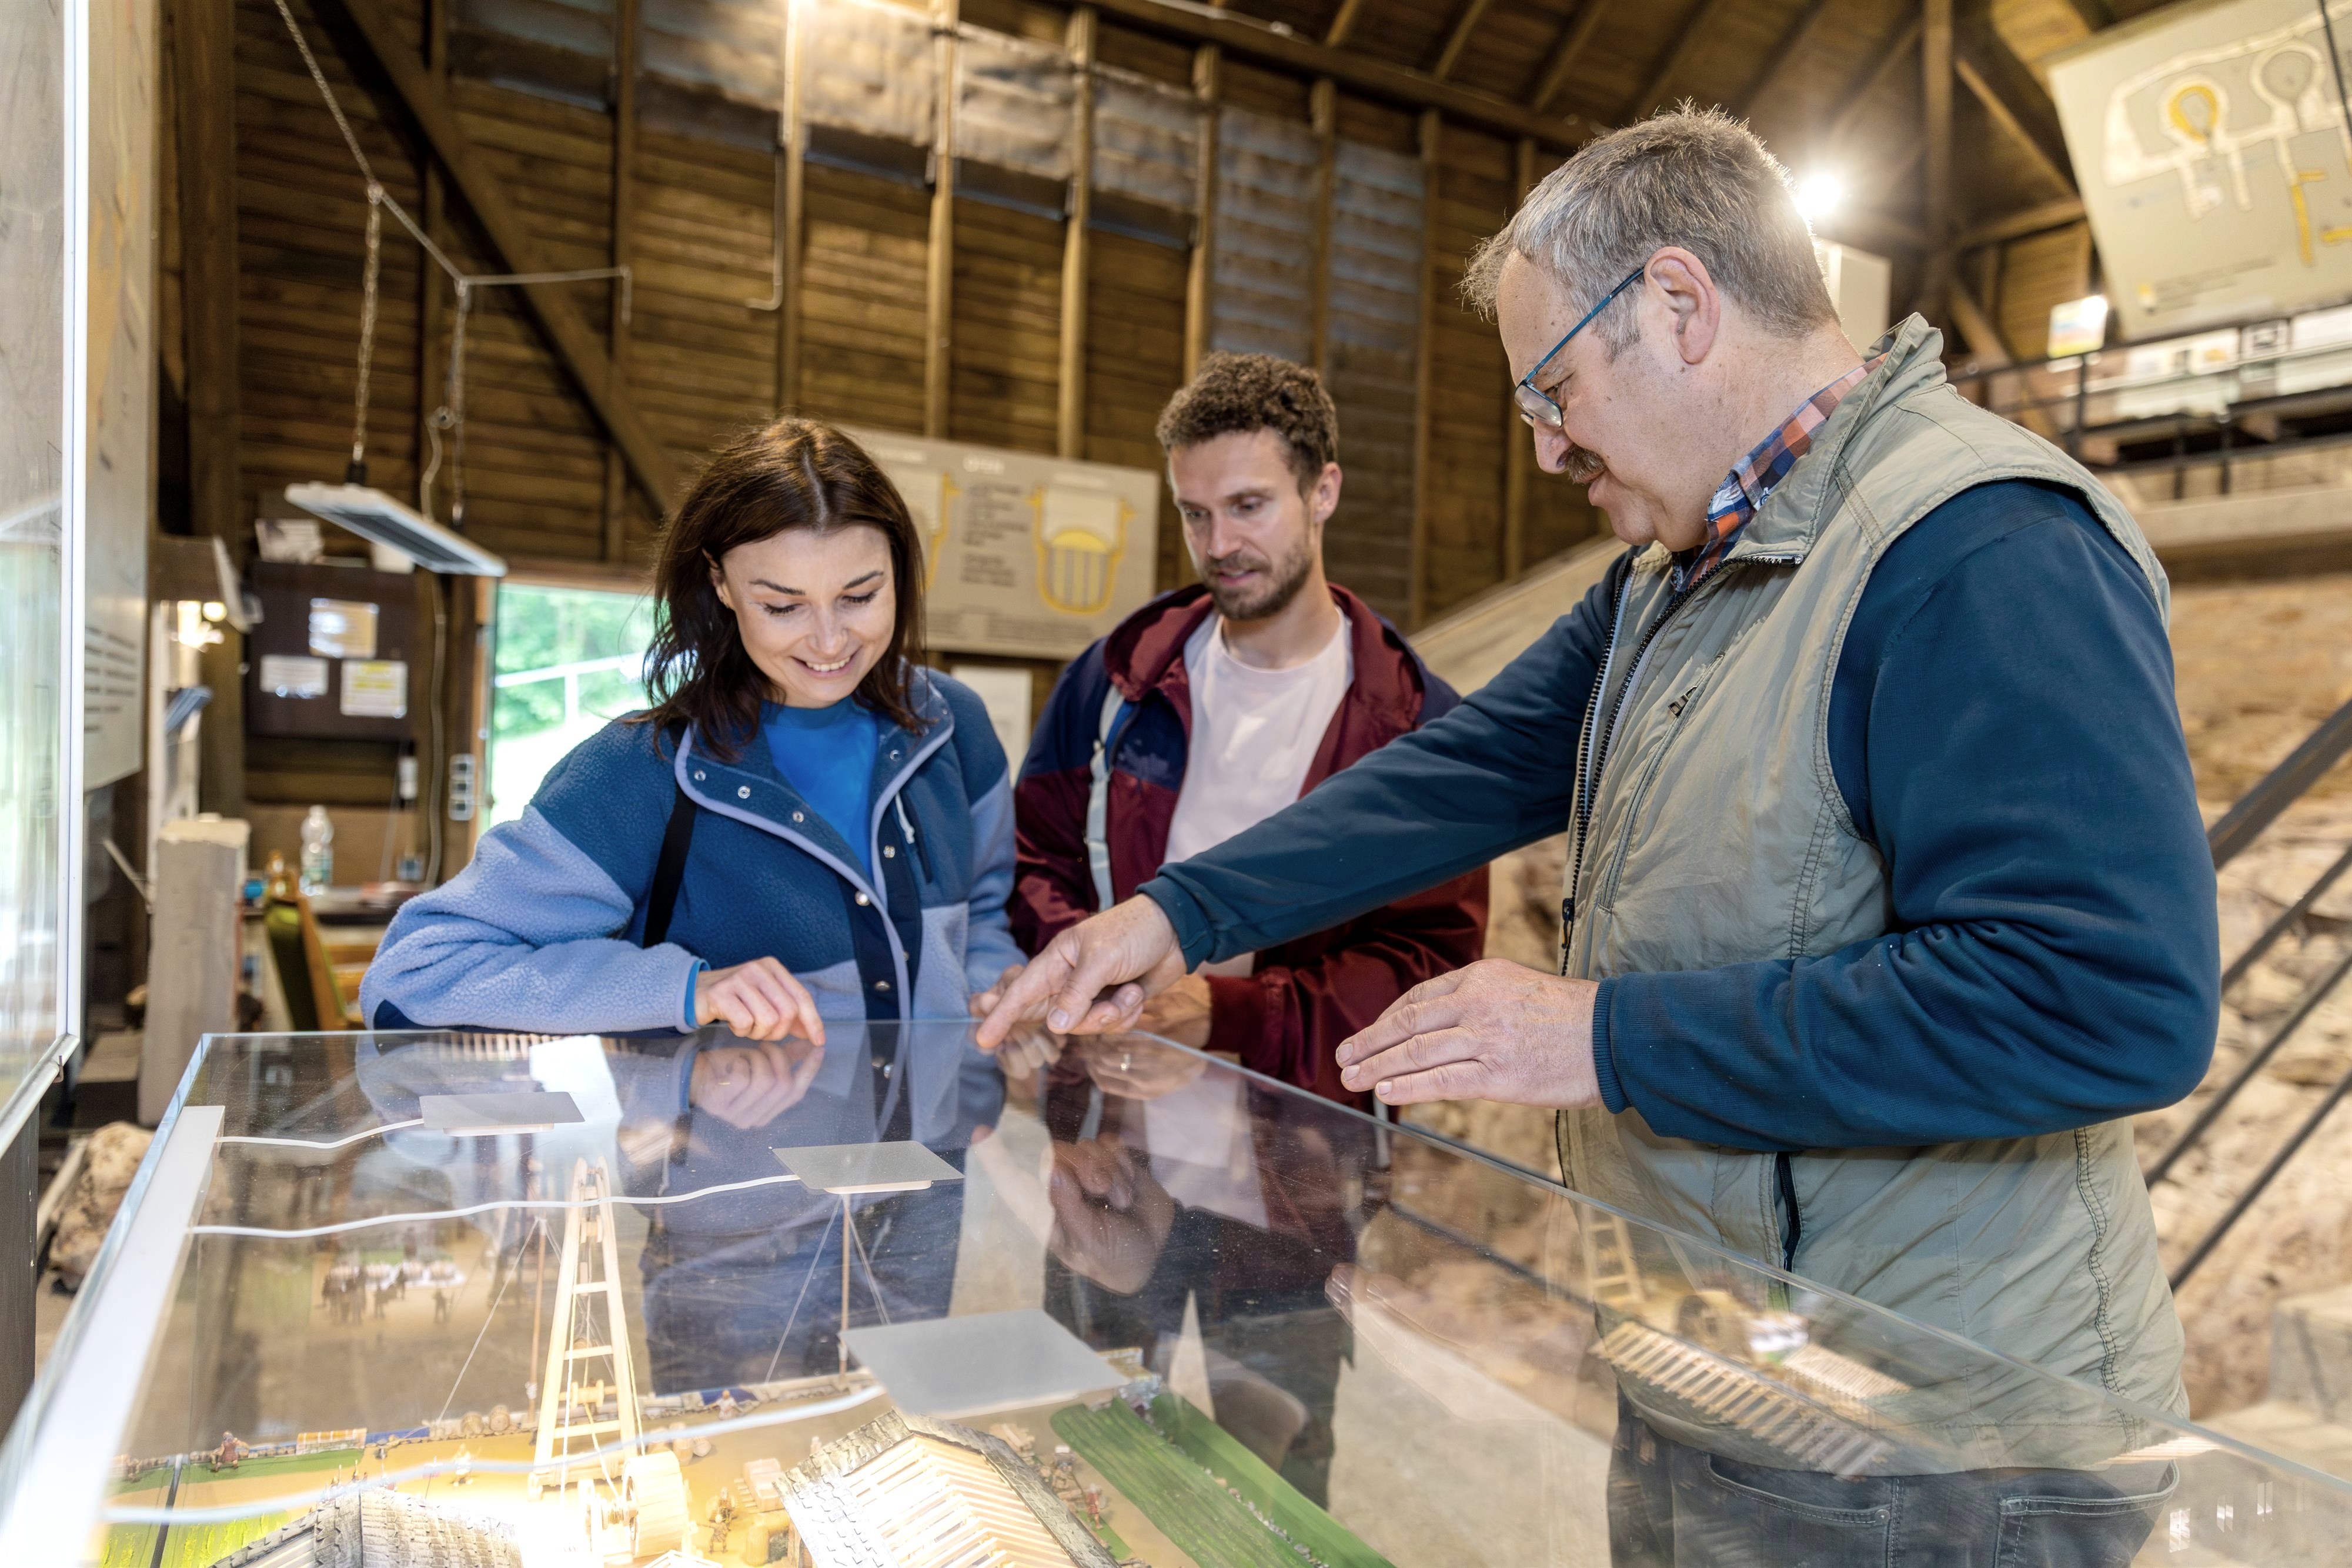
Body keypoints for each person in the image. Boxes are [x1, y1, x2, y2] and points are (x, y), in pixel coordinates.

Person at [982, 109, 2216, 1561]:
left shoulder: (1979, 547)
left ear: (1680, 305)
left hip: (1932, 1442)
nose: (1547, 445)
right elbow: (1465, 768)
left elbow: (2104, 1002)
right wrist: (1172, 913)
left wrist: (1602, 1037)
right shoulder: (1675, 564)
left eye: (1553, 388)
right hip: (1727, 1367)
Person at [362, 416, 1025, 1061]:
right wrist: (686, 989)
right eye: (783, 605)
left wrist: (997, 990)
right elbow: (413, 974)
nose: (830, 641)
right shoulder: (640, 770)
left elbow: (983, 921)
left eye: (860, 596)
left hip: (942, 1141)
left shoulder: (954, 724)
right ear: (720, 584)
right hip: (713, 1143)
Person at [1004, 352, 1486, 1106]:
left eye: (1248, 506)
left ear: (1323, 491)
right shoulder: (1115, 681)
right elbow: (1035, 862)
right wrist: (1099, 985)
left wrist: (1228, 1014)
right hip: (1108, 1121)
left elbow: (1428, 962)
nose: (1219, 543)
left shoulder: (1414, 724)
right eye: (1195, 513)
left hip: (1305, 1142)